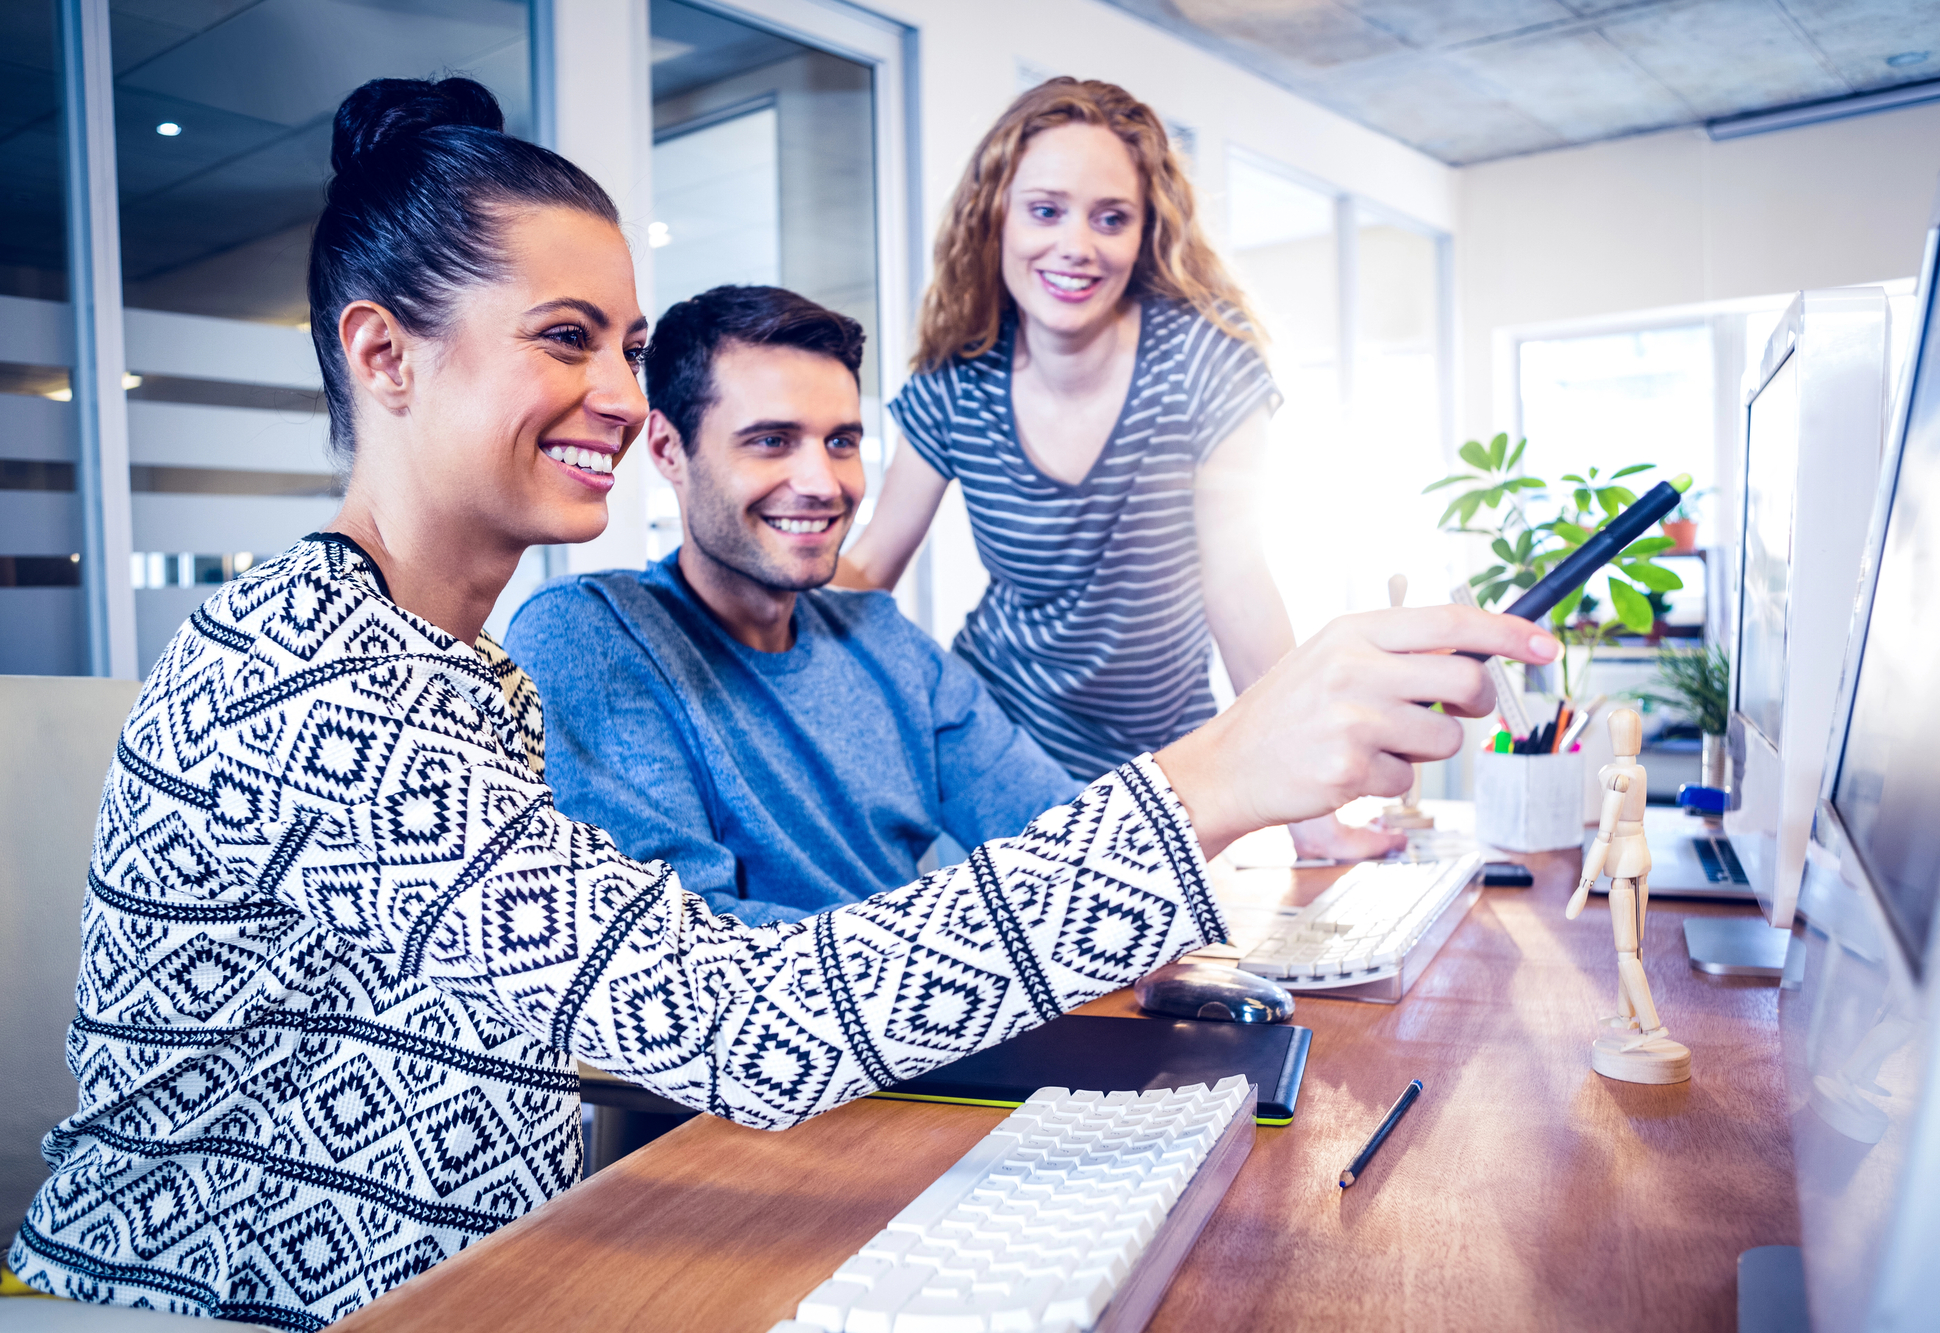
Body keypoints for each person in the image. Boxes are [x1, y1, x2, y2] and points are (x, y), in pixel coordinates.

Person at [1, 77, 1554, 1328]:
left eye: (621, 342)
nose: (620, 392)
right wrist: (1218, 773)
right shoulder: (320, 672)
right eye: (566, 340)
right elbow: (725, 1016)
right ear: (381, 356)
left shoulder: (450, 662)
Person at [837, 77, 1395, 862]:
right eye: (1045, 210)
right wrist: (735, 627)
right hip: (989, 753)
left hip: (1169, 767)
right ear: (994, 214)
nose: (1076, 244)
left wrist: (1311, 819)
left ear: (1145, 232)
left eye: (1110, 218)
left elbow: (1237, 587)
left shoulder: (1204, 358)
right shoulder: (957, 379)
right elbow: (868, 567)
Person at [508, 285, 1079, 926]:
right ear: (668, 449)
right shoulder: (592, 634)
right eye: (772, 441)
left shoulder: (884, 642)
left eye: (841, 442)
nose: (822, 484)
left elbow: (1068, 843)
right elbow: (681, 951)